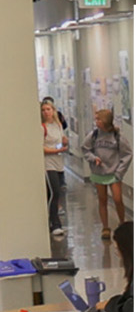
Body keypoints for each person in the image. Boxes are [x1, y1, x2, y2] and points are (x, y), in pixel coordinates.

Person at [81, 107, 130, 238]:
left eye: (98, 119)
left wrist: (120, 172)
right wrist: (93, 158)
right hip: (99, 172)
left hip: (114, 173)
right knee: (102, 200)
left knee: (118, 199)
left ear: (105, 121)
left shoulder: (117, 136)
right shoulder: (94, 135)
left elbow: (127, 155)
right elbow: (85, 149)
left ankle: (122, 224)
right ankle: (105, 227)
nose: (96, 121)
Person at [42, 97, 69, 238]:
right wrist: (57, 150)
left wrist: (62, 145)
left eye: (48, 109)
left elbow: (58, 144)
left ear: (53, 111)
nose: (46, 112)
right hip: (48, 164)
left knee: (56, 193)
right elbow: (42, 148)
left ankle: (51, 220)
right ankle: (54, 223)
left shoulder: (58, 126)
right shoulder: (42, 127)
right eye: (44, 110)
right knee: (54, 193)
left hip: (59, 163)